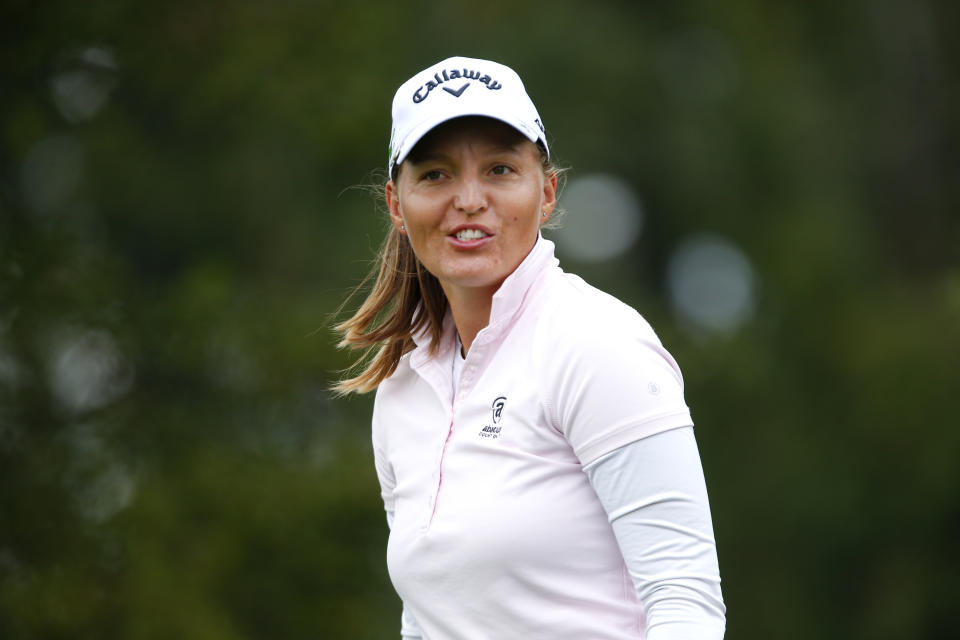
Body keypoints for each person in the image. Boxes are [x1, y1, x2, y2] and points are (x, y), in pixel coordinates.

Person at [335, 56, 725, 639]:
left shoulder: (594, 343)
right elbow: (426, 617)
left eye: (498, 169)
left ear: (546, 192)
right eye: (436, 174)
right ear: (396, 204)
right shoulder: (402, 384)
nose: (468, 200)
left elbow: (684, 600)